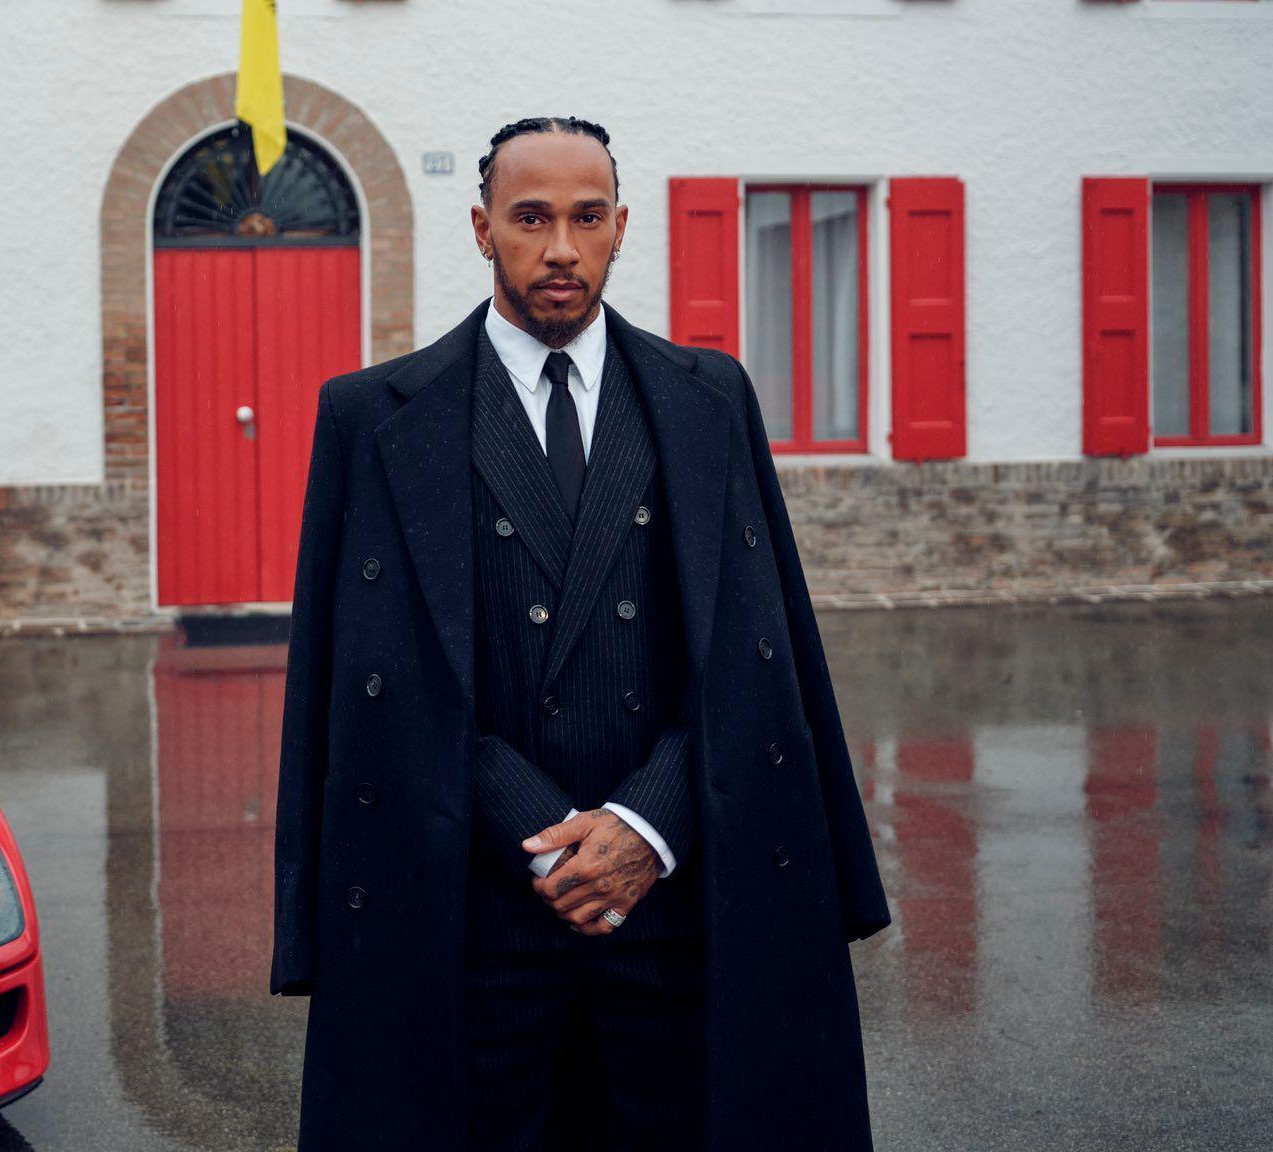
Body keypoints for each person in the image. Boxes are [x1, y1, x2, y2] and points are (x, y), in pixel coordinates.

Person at [270, 116, 889, 1150]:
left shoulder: (708, 400)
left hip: (673, 898)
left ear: (619, 228)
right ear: (480, 229)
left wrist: (645, 827)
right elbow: (347, 683)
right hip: (472, 911)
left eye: (585, 217)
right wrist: (539, 827)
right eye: (529, 218)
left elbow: (757, 652)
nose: (559, 247)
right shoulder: (373, 418)